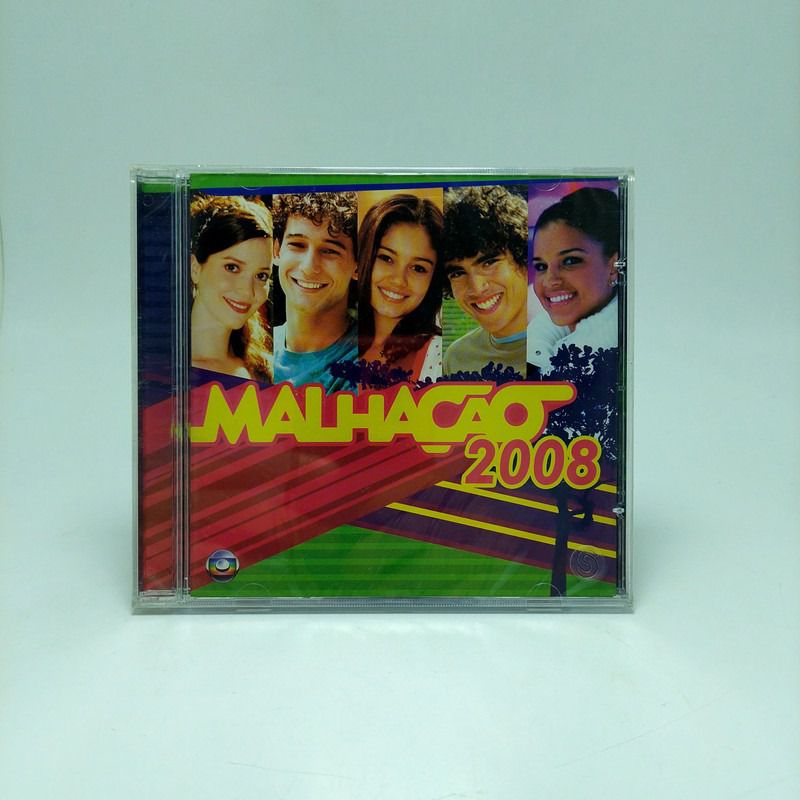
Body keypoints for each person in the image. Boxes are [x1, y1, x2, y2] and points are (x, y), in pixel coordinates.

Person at [271, 191, 358, 392]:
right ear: (276, 251)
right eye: (297, 245)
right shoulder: (255, 348)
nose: (309, 267)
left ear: (358, 265)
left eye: (329, 251)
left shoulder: (365, 361)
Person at [527, 187, 620, 376]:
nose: (550, 280)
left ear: (613, 266)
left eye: (570, 261)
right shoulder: (542, 329)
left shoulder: (609, 345)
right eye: (541, 266)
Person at [357, 194, 444, 386]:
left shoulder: (439, 356)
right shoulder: (335, 339)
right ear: (364, 255)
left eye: (418, 268)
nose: (398, 280)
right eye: (386, 258)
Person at [442, 185, 528, 378]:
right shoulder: (457, 358)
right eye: (458, 273)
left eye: (488, 263)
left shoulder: (571, 348)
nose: (476, 288)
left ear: (523, 259)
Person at [190, 194, 273, 382]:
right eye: (232, 267)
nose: (247, 291)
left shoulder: (266, 372)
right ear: (195, 268)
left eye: (261, 276)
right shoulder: (162, 370)